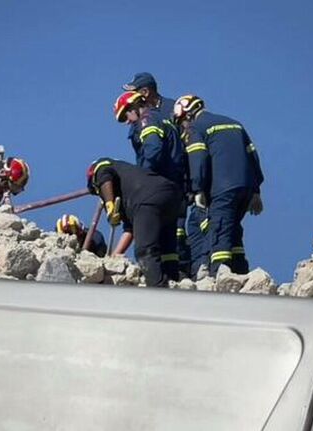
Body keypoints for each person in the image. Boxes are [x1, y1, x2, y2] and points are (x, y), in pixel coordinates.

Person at [174, 94, 265, 275]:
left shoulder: (196, 128)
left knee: (220, 229)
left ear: (187, 115)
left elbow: (198, 159)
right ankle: (240, 272)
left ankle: (219, 275)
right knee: (233, 228)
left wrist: (198, 189)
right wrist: (256, 191)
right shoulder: (235, 123)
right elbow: (253, 157)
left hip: (223, 188)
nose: (182, 127)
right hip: (246, 187)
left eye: (181, 122)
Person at [114, 90, 187, 278]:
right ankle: (172, 280)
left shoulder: (147, 120)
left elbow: (153, 149)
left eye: (126, 115)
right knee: (168, 243)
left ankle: (157, 286)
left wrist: (143, 178)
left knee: (148, 245)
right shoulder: (163, 119)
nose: (128, 121)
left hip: (158, 187)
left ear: (135, 106)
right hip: (175, 189)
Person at [86, 158, 182, 286]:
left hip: (147, 198)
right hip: (171, 196)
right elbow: (130, 230)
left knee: (145, 250)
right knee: (167, 251)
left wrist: (109, 205)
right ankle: (174, 283)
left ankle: (159, 291)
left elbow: (103, 174)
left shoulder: (100, 167)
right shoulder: (125, 189)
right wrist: (115, 255)